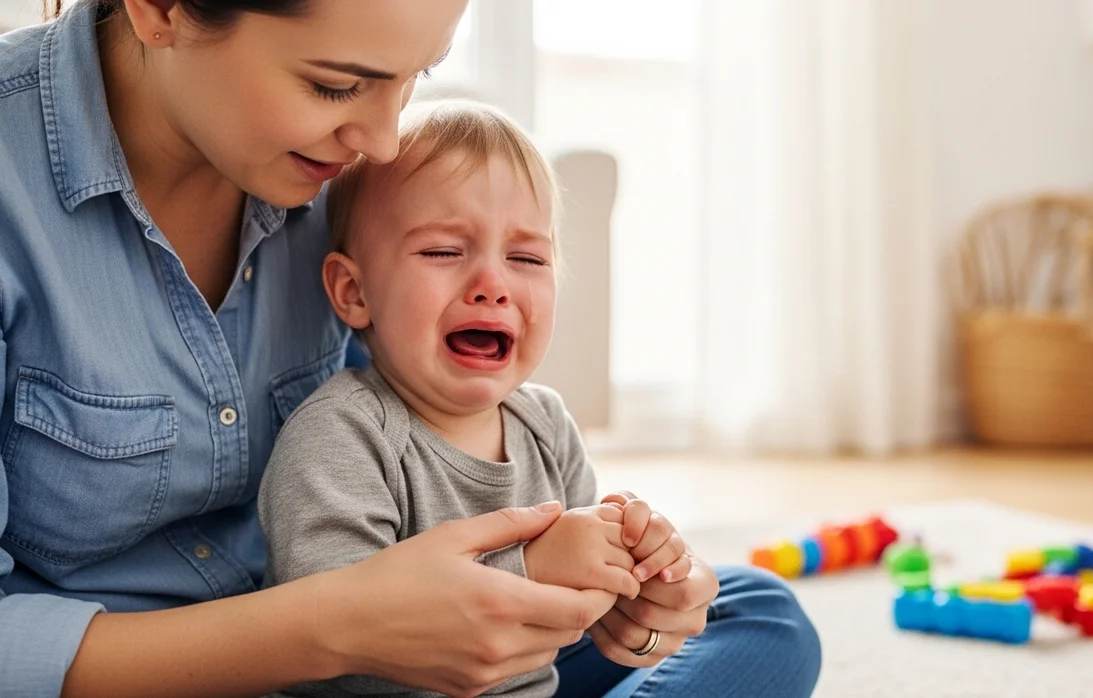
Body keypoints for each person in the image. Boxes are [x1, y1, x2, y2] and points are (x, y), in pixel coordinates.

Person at [0, 1, 822, 697]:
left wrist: (628, 604)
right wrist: (342, 626)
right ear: (161, 8)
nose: (385, 141)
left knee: (752, 612)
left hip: (408, 640)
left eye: (416, 78)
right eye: (337, 84)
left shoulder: (348, 179)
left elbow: (424, 449)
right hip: (162, 673)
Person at [258, 99, 699, 697]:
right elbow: (339, 655)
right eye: (443, 251)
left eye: (526, 258)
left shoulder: (544, 421)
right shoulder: (339, 437)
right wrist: (533, 569)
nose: (493, 286)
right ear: (354, 291)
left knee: (762, 614)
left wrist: (643, 580)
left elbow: (587, 614)